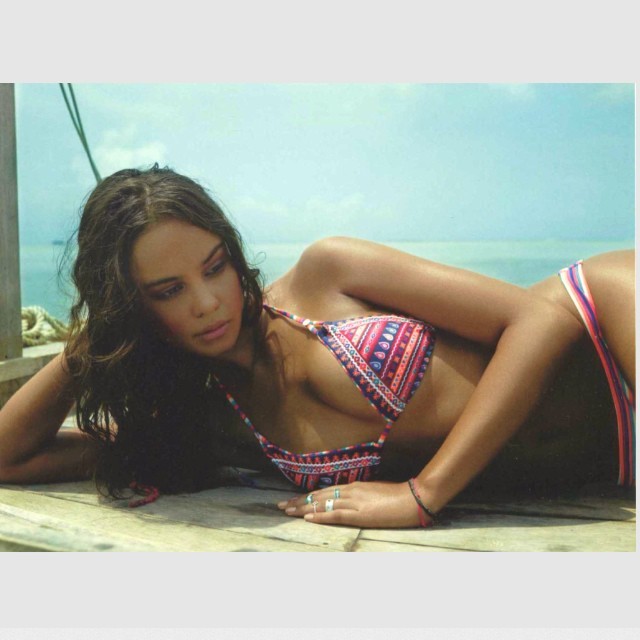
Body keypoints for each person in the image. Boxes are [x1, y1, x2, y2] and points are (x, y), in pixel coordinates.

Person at [0, 165, 634, 529]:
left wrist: (424, 493)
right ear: (133, 306)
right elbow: (10, 457)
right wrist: (97, 339)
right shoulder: (212, 420)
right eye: (168, 290)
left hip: (608, 327)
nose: (208, 301)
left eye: (215, 266)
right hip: (613, 468)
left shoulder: (325, 274)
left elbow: (541, 320)